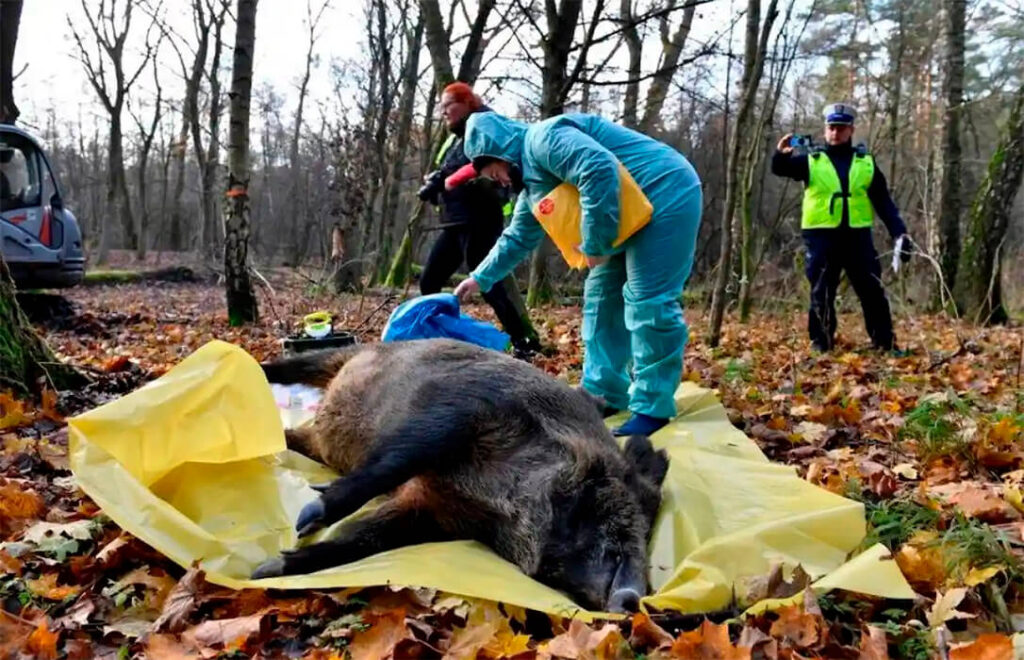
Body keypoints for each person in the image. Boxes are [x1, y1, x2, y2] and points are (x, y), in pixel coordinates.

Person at [453, 111, 702, 438]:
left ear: (501, 153)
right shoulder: (533, 189)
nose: (498, 181)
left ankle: (652, 406)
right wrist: (479, 278)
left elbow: (597, 168)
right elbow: (517, 238)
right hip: (623, 213)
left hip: (664, 191)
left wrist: (596, 242)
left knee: (648, 301)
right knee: (600, 301)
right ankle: (603, 393)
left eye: (494, 173)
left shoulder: (544, 139)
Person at [772, 102, 911, 354]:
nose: (836, 132)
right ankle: (821, 344)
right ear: (825, 130)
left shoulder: (865, 162)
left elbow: (883, 201)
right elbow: (780, 169)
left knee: (872, 290)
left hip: (857, 237)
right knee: (821, 292)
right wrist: (781, 154)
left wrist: (898, 232)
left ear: (851, 130)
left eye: (841, 128)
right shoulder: (811, 161)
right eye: (832, 127)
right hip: (821, 237)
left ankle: (885, 343)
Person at [417, 82, 540, 358]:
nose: (443, 112)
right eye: (441, 107)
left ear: (467, 103)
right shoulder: (456, 138)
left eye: (449, 105)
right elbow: (451, 169)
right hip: (454, 223)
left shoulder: (485, 128)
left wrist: (444, 179)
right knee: (429, 280)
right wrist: (437, 183)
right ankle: (438, 338)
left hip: (480, 220)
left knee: (488, 282)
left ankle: (524, 341)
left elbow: (476, 169)